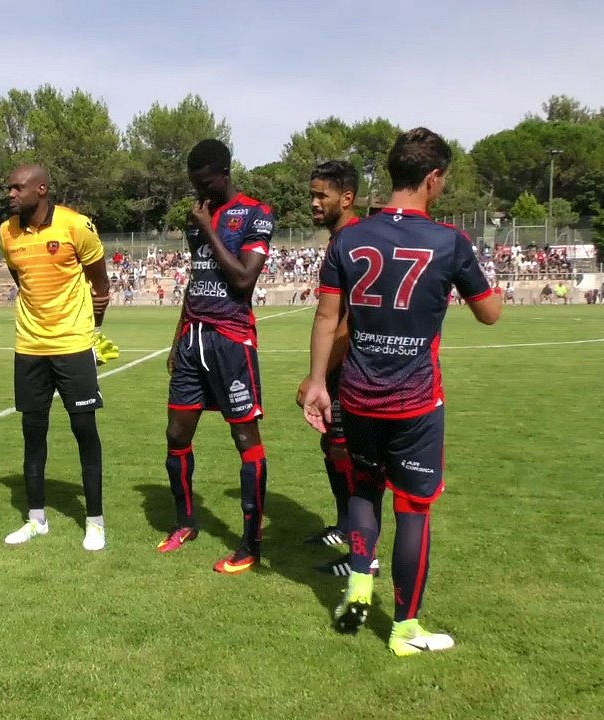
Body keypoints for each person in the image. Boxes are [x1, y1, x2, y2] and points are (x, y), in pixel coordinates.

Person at [302, 127, 502, 656]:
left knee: (365, 490)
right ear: (433, 179)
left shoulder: (349, 237)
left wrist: (319, 382)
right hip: (414, 402)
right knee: (414, 509)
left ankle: (360, 579)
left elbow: (326, 317)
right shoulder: (450, 241)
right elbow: (490, 313)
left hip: (358, 395)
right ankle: (405, 629)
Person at [158, 140, 273, 574]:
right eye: (194, 185)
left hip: (231, 340)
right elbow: (197, 279)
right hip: (193, 340)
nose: (199, 192)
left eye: (205, 182)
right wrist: (176, 340)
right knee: (176, 434)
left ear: (224, 173)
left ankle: (250, 543)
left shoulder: (256, 214)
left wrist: (207, 227)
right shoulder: (197, 218)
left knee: (245, 440)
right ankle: (185, 522)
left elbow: (243, 279)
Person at [0, 163, 111, 551]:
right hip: (29, 347)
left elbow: (100, 283)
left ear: (41, 188)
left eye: (17, 187)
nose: (10, 194)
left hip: (73, 346)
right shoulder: (6, 232)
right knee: (33, 434)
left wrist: (91, 330)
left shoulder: (77, 226)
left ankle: (94, 521)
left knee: (84, 432)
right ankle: (36, 519)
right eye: (9, 188)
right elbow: (21, 279)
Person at [297, 160, 369, 577]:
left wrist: (317, 376)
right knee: (332, 446)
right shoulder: (340, 238)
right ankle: (344, 527)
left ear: (347, 198)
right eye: (312, 194)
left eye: (321, 195)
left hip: (355, 366)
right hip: (343, 368)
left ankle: (361, 552)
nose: (314, 203)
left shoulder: (354, 240)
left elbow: (349, 317)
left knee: (348, 452)